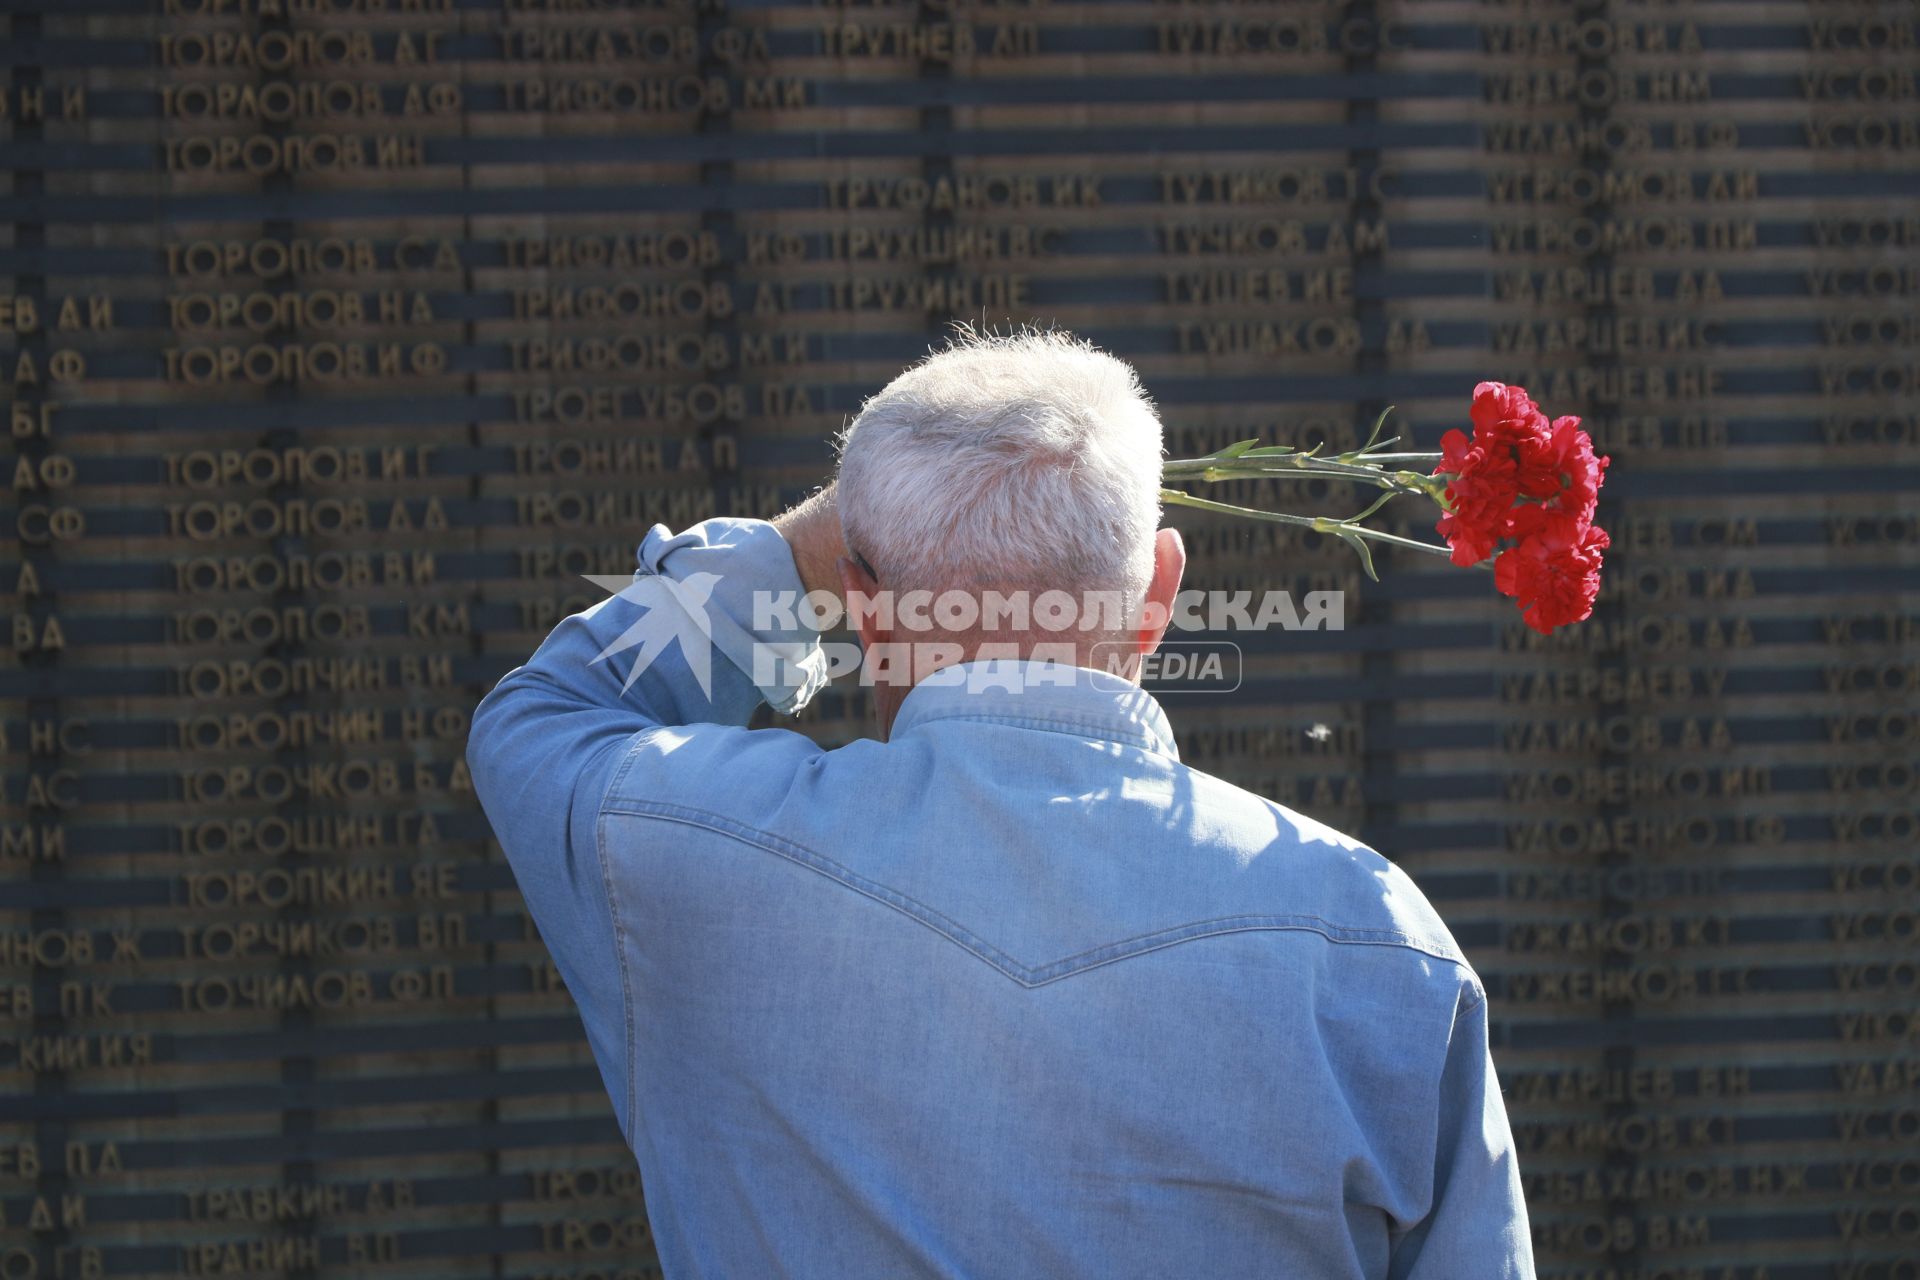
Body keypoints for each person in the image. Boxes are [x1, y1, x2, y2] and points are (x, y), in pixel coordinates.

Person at [468, 327, 1535, 1278]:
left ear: (867, 609)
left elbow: (546, 712)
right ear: (1160, 592)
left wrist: (799, 554)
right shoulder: (1384, 948)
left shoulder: (679, 850)